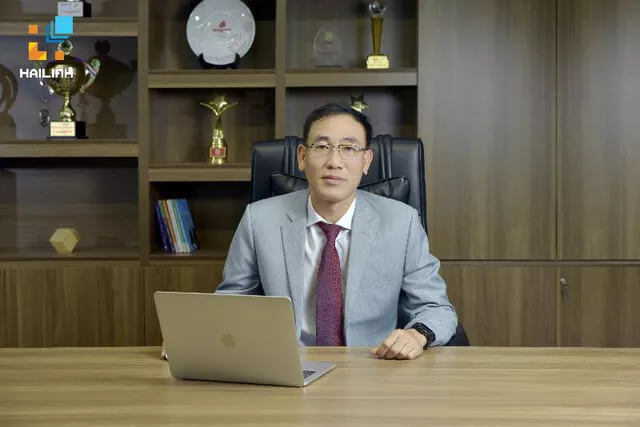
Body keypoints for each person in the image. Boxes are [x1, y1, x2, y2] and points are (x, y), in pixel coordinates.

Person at [216, 103, 458, 360]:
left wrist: (416, 335)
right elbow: (230, 304)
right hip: (285, 365)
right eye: (322, 147)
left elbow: (437, 308)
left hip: (374, 365)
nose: (334, 162)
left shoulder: (401, 222)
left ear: (366, 161)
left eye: (349, 148)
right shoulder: (259, 219)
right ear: (302, 157)